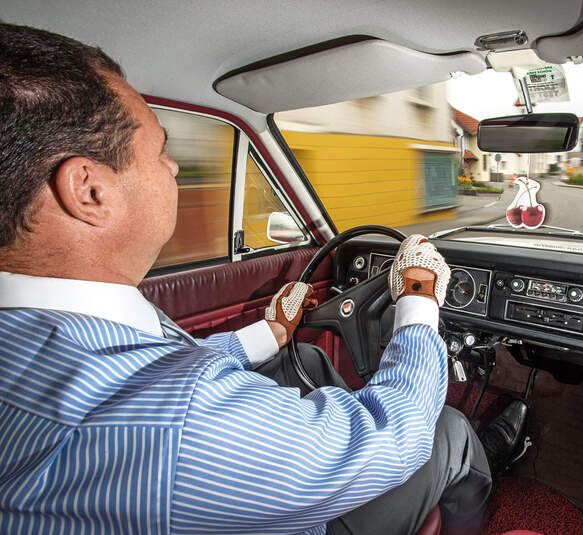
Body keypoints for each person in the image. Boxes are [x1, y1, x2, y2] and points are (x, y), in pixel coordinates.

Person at [0, 23, 528, 534]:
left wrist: (266, 335)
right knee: (448, 430)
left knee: (310, 360)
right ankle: (483, 469)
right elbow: (395, 437)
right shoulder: (179, 428)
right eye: (160, 150)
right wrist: (418, 299)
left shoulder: (51, 329)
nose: (174, 169)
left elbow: (154, 374)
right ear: (89, 190)